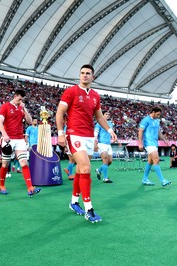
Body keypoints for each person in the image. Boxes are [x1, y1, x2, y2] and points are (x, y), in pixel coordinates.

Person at [56, 64, 117, 223]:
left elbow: (99, 117)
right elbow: (60, 112)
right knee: (85, 168)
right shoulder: (71, 91)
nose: (84, 75)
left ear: (92, 77)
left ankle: (74, 202)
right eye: (82, 73)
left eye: (87, 73)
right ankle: (89, 209)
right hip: (74, 134)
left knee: (80, 170)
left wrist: (110, 131)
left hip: (89, 136)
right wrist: (60, 133)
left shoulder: (96, 95)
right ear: (79, 75)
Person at [0, 90, 41, 197]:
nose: (20, 101)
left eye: (22, 100)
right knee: (5, 164)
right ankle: (1, 185)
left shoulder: (22, 108)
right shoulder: (5, 106)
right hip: (8, 139)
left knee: (24, 163)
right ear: (15, 96)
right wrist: (4, 134)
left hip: (20, 139)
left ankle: (30, 188)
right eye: (19, 99)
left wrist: (24, 109)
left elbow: (30, 121)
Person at [138, 106, 171, 187]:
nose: (158, 116)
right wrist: (140, 143)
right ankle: (162, 180)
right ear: (153, 112)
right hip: (148, 143)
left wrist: (164, 140)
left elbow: (158, 131)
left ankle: (145, 179)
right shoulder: (145, 120)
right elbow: (140, 131)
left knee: (150, 161)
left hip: (155, 143)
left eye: (159, 115)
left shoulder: (157, 120)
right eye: (157, 114)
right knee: (156, 159)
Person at [94, 112, 121, 183]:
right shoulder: (99, 123)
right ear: (102, 115)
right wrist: (95, 143)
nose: (108, 115)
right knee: (105, 160)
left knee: (110, 161)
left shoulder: (110, 124)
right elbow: (95, 134)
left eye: (108, 114)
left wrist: (118, 141)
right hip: (101, 144)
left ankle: (99, 170)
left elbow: (112, 133)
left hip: (108, 144)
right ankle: (105, 178)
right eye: (106, 114)